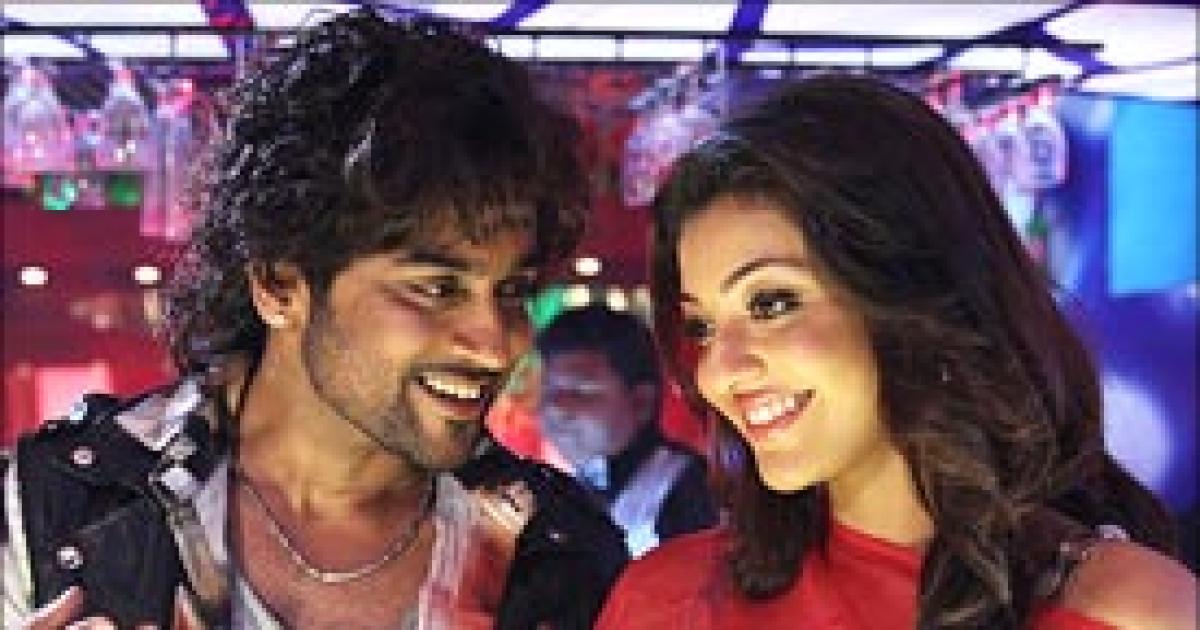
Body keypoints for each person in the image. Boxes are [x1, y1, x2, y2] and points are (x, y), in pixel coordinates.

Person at [1, 10, 627, 629]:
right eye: (437, 289)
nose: (495, 346)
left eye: (513, 291)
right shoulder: (54, 506)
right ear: (279, 284)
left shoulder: (564, 554)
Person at [598, 75, 1197, 629]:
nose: (719, 372)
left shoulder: (1126, 611)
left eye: (772, 303)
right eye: (702, 326)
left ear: (915, 290)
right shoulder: (667, 601)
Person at [535, 304, 717, 558]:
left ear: (641, 403)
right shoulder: (556, 490)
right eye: (550, 390)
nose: (557, 408)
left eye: (582, 391)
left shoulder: (692, 492)